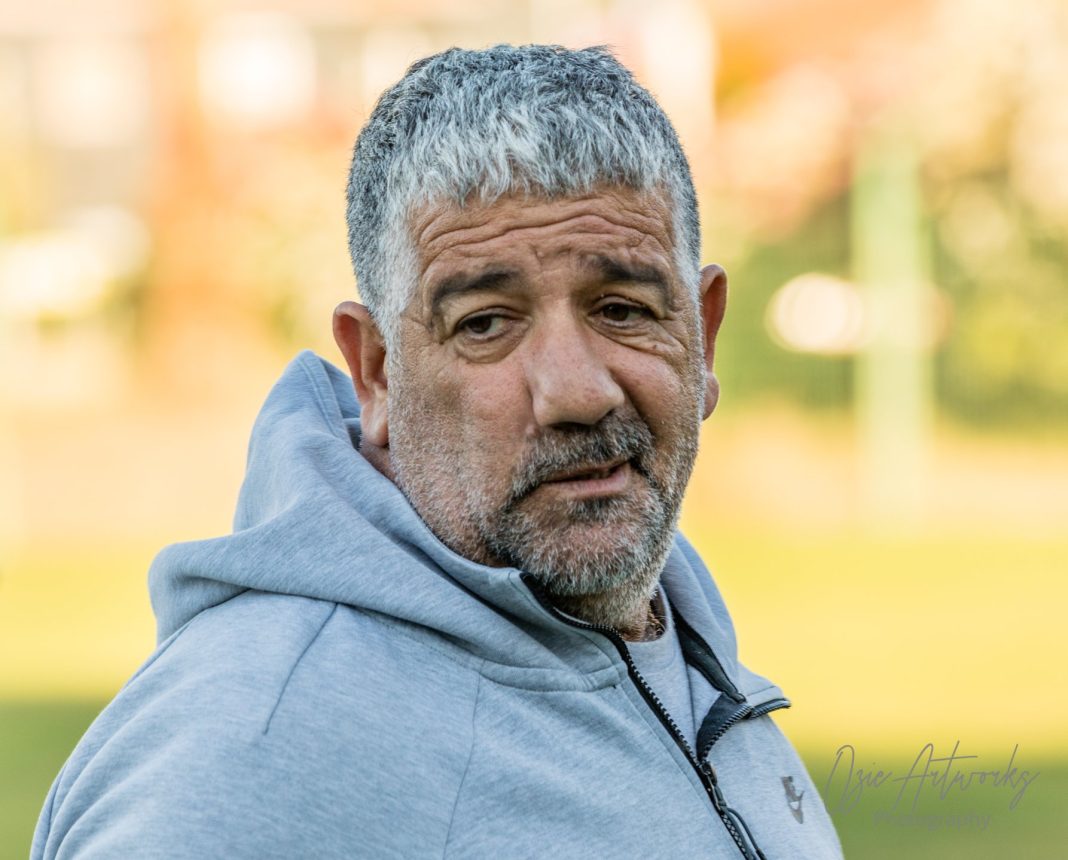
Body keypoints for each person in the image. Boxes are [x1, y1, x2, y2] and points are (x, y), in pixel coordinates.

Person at [32, 45, 843, 859]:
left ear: (702, 335)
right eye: (485, 323)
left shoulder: (682, 652)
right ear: (377, 373)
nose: (576, 392)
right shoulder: (255, 748)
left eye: (622, 309)